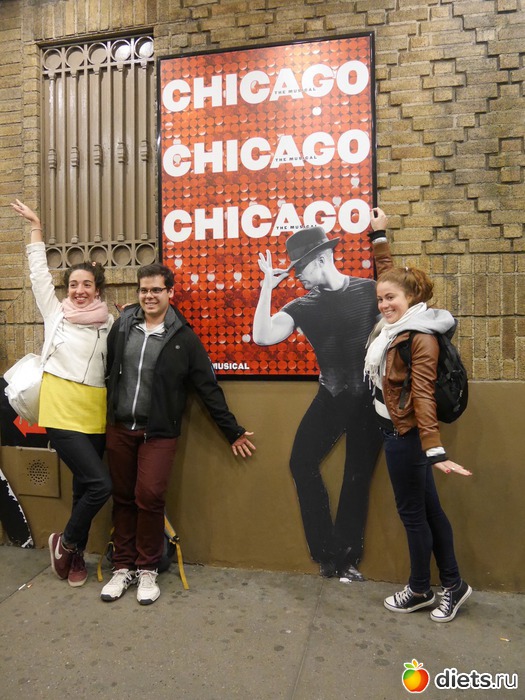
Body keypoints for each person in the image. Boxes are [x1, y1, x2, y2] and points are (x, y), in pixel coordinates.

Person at [101, 263, 256, 605]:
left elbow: (207, 388)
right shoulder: (123, 326)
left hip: (158, 432)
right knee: (123, 498)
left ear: (170, 292)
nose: (149, 296)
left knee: (149, 496)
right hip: (120, 428)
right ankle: (122, 567)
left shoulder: (183, 338)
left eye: (156, 290)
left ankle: (147, 568)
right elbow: (109, 369)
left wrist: (232, 431)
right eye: (144, 290)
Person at [252, 208, 392, 581]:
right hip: (330, 396)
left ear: (321, 258)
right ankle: (327, 552)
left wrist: (380, 238)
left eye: (300, 267)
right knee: (301, 462)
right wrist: (267, 287)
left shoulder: (368, 290)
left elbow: (397, 298)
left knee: (357, 475)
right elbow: (262, 336)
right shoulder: (304, 305)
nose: (296, 274)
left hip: (369, 401)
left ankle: (347, 559)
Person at [10, 199, 113, 587]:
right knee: (101, 484)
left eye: (86, 284)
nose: (79, 291)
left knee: (84, 486)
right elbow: (39, 273)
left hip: (95, 411)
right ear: (66, 289)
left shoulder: (109, 322)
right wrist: (36, 227)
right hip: (60, 410)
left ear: (97, 289)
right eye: (73, 285)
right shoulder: (56, 315)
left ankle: (74, 557)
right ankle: (66, 542)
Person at [364, 262, 472, 622]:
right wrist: (380, 241)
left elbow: (423, 394)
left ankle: (421, 588)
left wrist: (434, 449)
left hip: (406, 436)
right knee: (430, 511)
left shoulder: (419, 336)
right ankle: (453, 584)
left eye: (391, 298)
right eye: (380, 299)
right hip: (397, 432)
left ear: (411, 297)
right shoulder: (396, 327)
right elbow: (391, 275)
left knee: (414, 516)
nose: (384, 305)